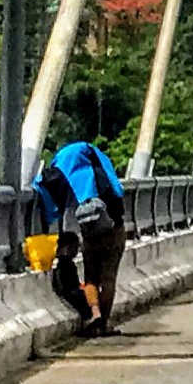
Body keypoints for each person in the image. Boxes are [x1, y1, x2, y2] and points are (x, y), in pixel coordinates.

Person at [32, 136, 131, 337]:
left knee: (91, 278)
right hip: (114, 230)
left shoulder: (71, 175)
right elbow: (119, 194)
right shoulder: (103, 173)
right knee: (109, 279)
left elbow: (44, 185)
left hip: (91, 234)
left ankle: (94, 316)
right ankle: (104, 323)